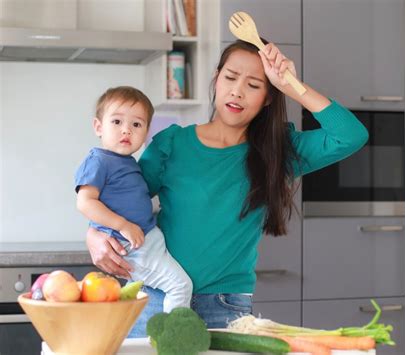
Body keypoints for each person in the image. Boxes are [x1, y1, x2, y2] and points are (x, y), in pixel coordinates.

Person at [86, 40, 369, 336]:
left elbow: (350, 135)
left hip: (224, 307)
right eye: (230, 77)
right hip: (157, 297)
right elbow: (123, 202)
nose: (237, 91)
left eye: (255, 85)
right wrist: (93, 234)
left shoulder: (278, 152)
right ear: (216, 79)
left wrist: (291, 85)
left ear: (269, 97)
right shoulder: (172, 144)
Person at [75, 86, 192, 312]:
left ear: (146, 132)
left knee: (143, 295)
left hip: (146, 239)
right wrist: (123, 225)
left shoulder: (127, 162)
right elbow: (85, 202)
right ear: (98, 127)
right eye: (117, 122)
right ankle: (173, 338)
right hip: (131, 246)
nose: (126, 130)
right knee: (179, 286)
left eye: (136, 124)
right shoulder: (98, 161)